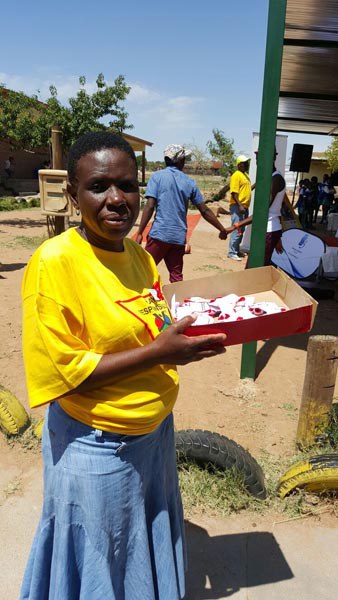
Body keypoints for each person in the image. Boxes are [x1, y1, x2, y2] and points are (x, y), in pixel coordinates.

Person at [21, 131, 227, 600]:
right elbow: (62, 372)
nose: (117, 199)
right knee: (100, 561)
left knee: (138, 552)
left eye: (128, 185)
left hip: (153, 438)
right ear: (73, 195)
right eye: (99, 186)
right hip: (98, 447)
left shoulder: (138, 257)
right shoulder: (54, 263)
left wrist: (197, 333)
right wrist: (162, 353)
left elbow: (153, 329)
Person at [135, 144, 227, 282]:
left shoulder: (157, 177)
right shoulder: (189, 182)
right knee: (176, 276)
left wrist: (140, 232)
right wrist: (222, 229)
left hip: (159, 235)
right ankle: (176, 301)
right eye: (184, 158)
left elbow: (149, 206)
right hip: (178, 237)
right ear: (179, 161)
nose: (185, 161)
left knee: (144, 272)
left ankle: (142, 300)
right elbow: (205, 210)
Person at [224, 150, 286, 265]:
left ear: (271, 159)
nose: (257, 163)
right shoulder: (269, 177)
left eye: (259, 159)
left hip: (268, 231)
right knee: (258, 269)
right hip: (267, 231)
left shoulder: (275, 179)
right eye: (256, 160)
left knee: (253, 269)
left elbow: (262, 212)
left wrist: (234, 226)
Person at [227, 155, 252, 261]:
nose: (247, 165)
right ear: (239, 164)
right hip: (238, 207)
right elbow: (234, 192)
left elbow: (248, 189)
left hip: (244, 207)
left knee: (241, 228)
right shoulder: (236, 175)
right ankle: (232, 252)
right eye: (245, 163)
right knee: (237, 228)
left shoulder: (245, 175)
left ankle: (236, 250)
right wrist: (240, 205)